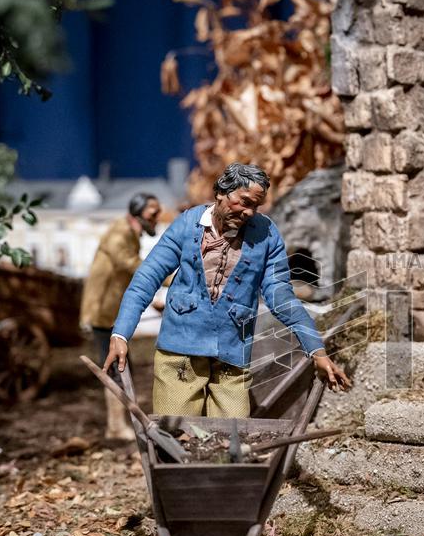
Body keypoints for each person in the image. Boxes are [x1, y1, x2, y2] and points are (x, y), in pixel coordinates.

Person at [103, 163, 350, 417]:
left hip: (231, 351)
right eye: (243, 202)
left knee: (230, 437)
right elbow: (147, 278)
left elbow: (281, 296)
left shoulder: (266, 235)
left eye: (255, 206)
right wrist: (121, 334)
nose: (249, 212)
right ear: (221, 193)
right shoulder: (188, 225)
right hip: (181, 348)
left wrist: (316, 350)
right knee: (176, 431)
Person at [81, 192, 162, 439]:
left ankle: (116, 425)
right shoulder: (121, 234)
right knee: (117, 366)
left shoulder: (128, 233)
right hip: (104, 312)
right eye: (153, 212)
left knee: (122, 367)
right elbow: (133, 266)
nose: (157, 218)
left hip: (111, 310)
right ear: (138, 212)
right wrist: (172, 276)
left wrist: (154, 299)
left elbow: (128, 276)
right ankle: (115, 427)